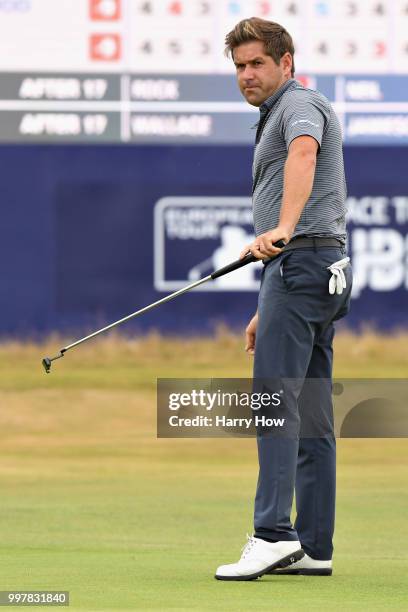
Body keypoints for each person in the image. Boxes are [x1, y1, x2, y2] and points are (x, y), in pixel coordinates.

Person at [215, 17, 352, 581]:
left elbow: (303, 153)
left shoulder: (299, 107)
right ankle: (315, 545)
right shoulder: (278, 109)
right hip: (314, 272)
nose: (247, 75)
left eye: (257, 64)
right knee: (314, 410)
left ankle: (272, 533)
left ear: (286, 62)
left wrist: (284, 229)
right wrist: (266, 298)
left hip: (301, 262)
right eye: (240, 66)